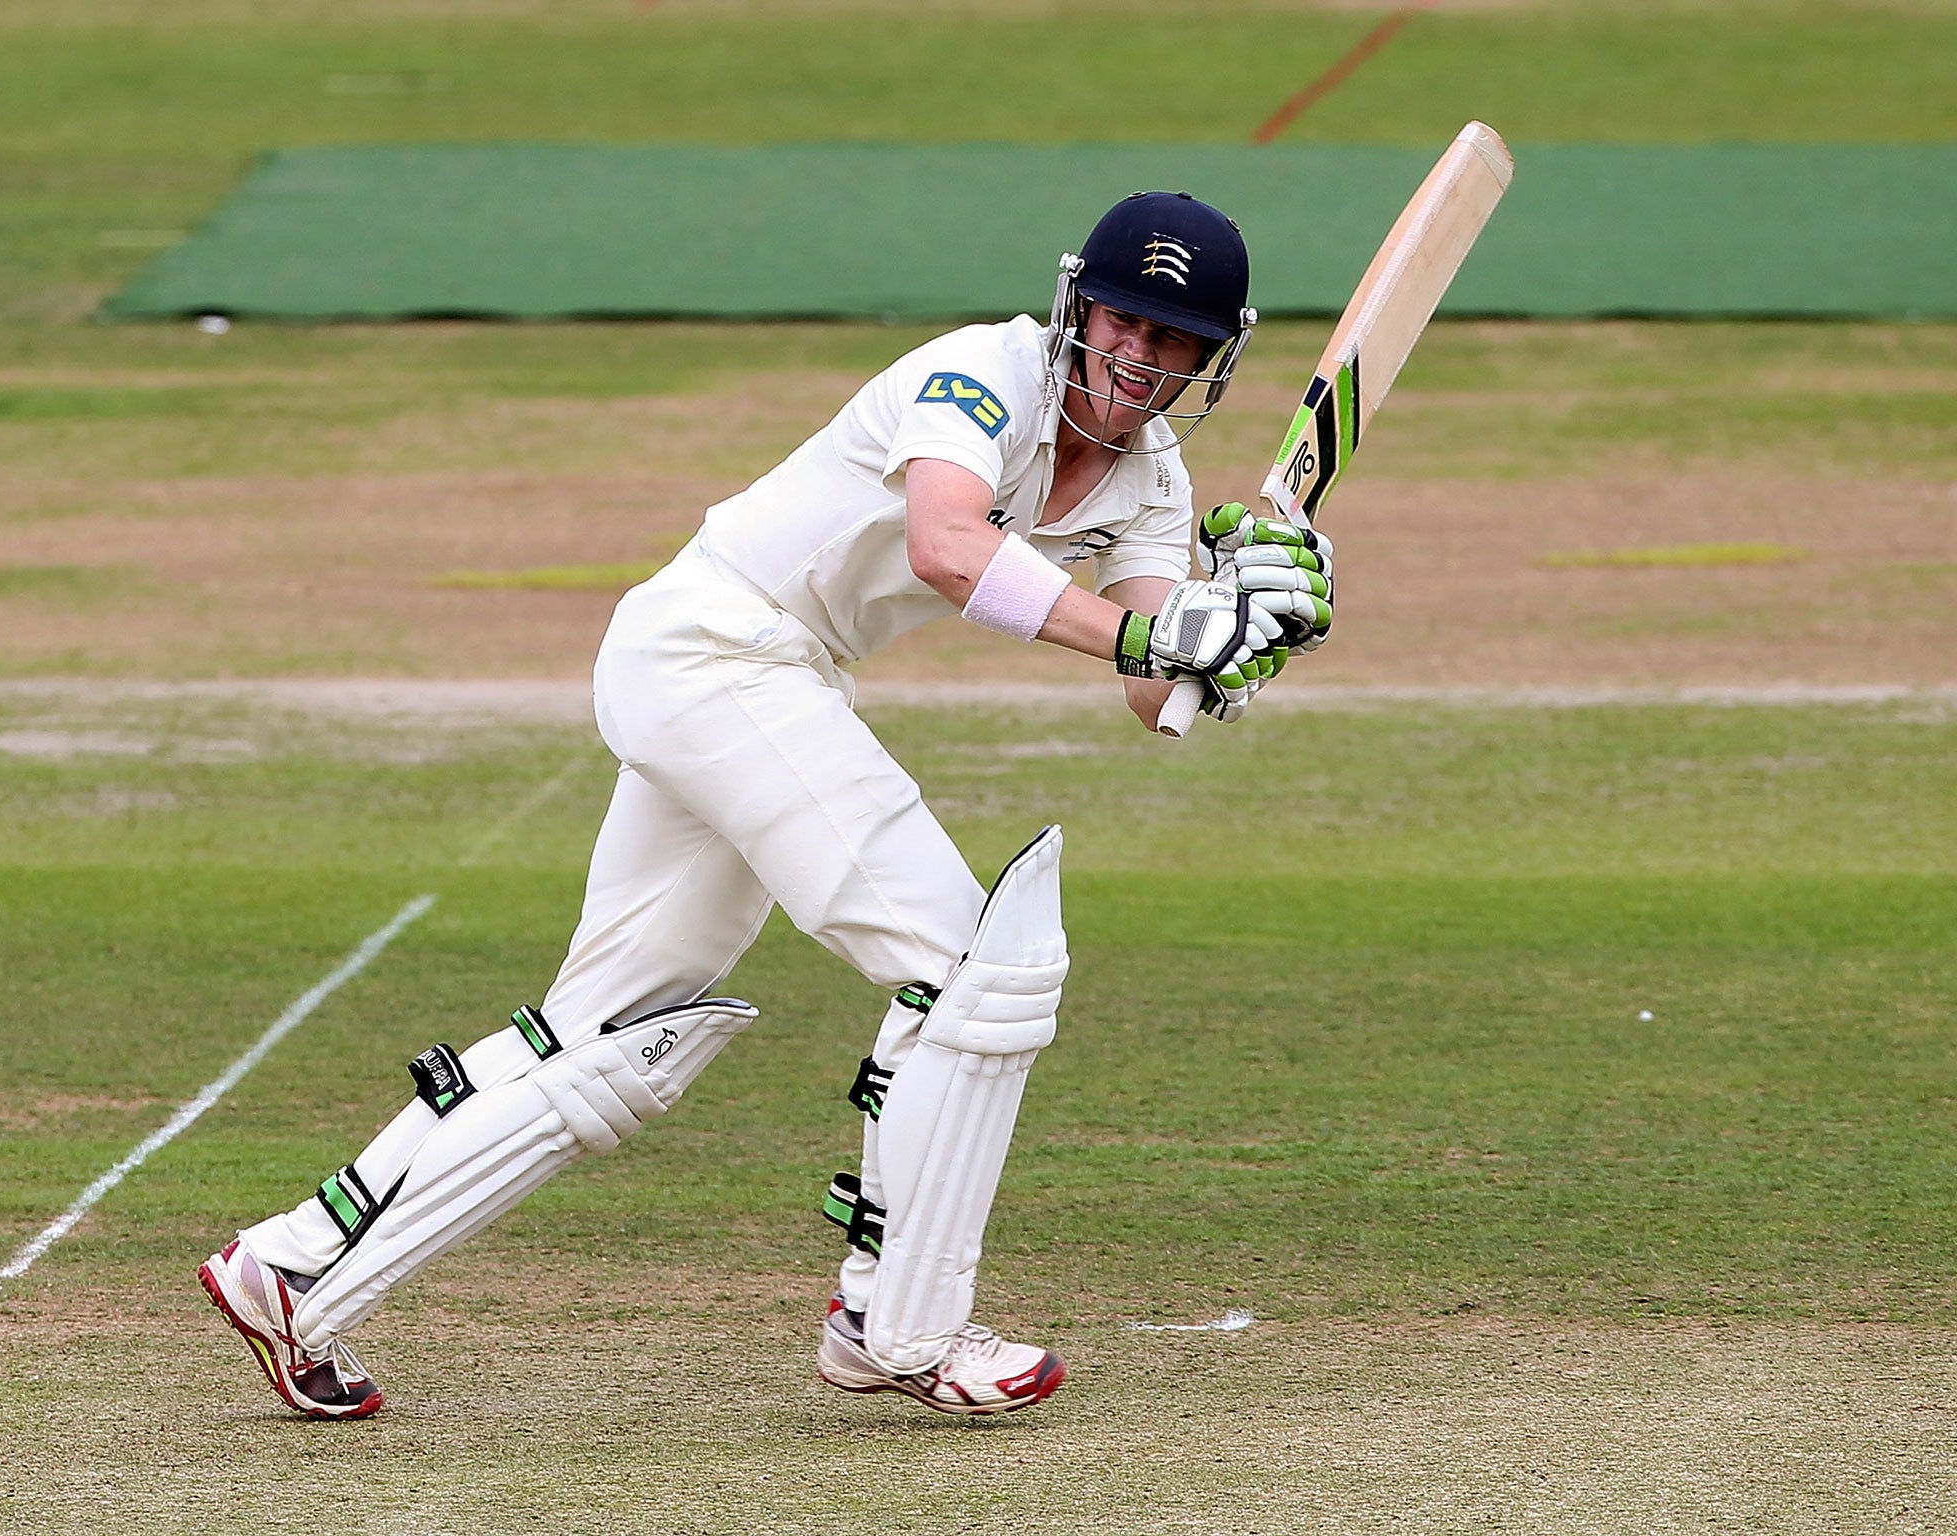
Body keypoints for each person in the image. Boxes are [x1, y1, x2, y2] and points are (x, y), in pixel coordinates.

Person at [197, 191, 1333, 1420]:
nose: (1137, 361)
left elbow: (1151, 688)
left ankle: (290, 1264)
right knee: (973, 970)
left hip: (755, 676)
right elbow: (952, 546)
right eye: (1124, 323)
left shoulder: (1148, 481)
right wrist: (1154, 631)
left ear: (1209, 358)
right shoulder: (975, 374)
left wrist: (1244, 626)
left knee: (614, 1033)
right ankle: (898, 1325)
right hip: (717, 648)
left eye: (1173, 343)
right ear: (1076, 306)